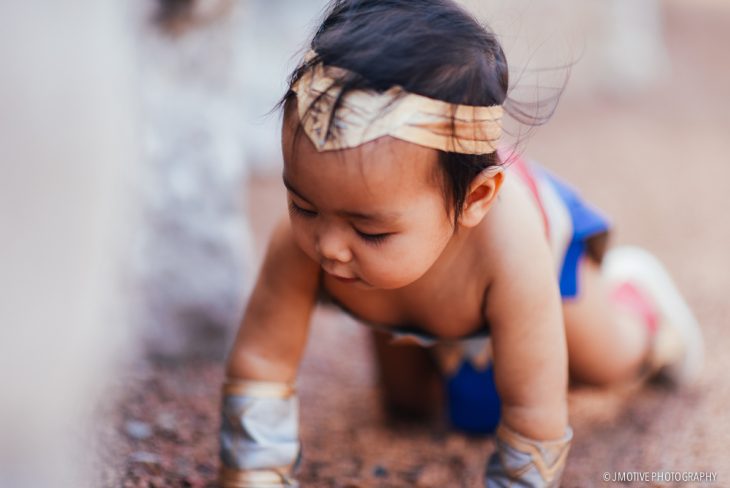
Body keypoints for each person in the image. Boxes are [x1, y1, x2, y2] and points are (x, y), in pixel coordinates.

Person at [218, 1, 704, 486]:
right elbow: (263, 359)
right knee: (411, 409)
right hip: (406, 287)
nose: (328, 247)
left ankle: (643, 308)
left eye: (369, 230)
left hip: (541, 266)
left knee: (603, 360)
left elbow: (534, 409)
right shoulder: (324, 227)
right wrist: (254, 469)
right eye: (302, 206)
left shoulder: (512, 248)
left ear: (476, 198)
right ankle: (445, 345)